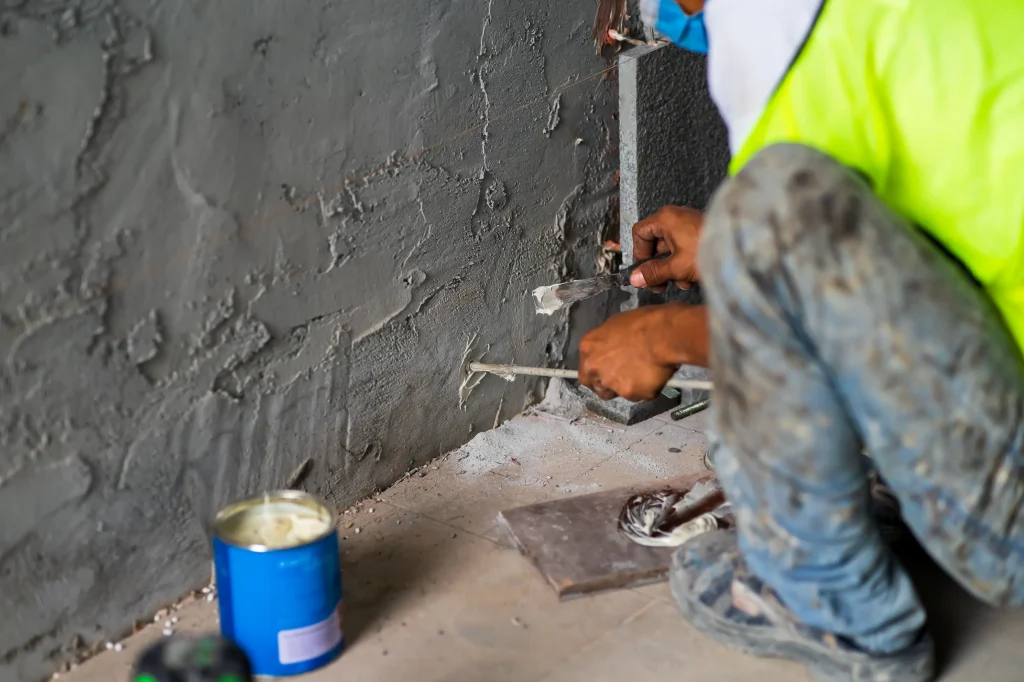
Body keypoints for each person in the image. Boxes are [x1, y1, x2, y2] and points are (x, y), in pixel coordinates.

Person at [580, 1, 1024, 681]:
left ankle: (831, 608)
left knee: (766, 208)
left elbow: (803, 315)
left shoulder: (781, 45)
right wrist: (737, 249)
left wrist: (665, 334)